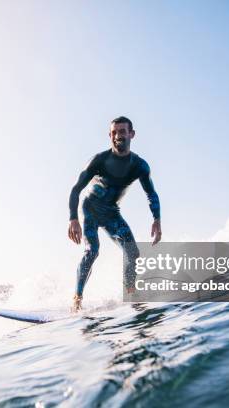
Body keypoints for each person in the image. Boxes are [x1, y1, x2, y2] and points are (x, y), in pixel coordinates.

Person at [68, 116, 162, 311]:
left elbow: (151, 193)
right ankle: (77, 299)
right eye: (114, 132)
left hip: (112, 213)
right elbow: (76, 189)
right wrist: (73, 218)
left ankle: (130, 294)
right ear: (110, 135)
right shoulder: (99, 160)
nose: (117, 136)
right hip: (91, 208)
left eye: (122, 131)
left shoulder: (139, 166)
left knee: (133, 252)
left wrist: (156, 220)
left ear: (131, 134)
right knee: (92, 251)